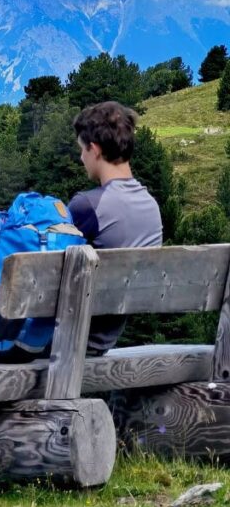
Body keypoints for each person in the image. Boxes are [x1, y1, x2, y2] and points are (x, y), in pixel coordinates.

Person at [68, 101, 162, 355]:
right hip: (107, 339)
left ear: (95, 149)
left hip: (70, 341)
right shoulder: (151, 205)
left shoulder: (87, 205)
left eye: (82, 150)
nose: (81, 158)